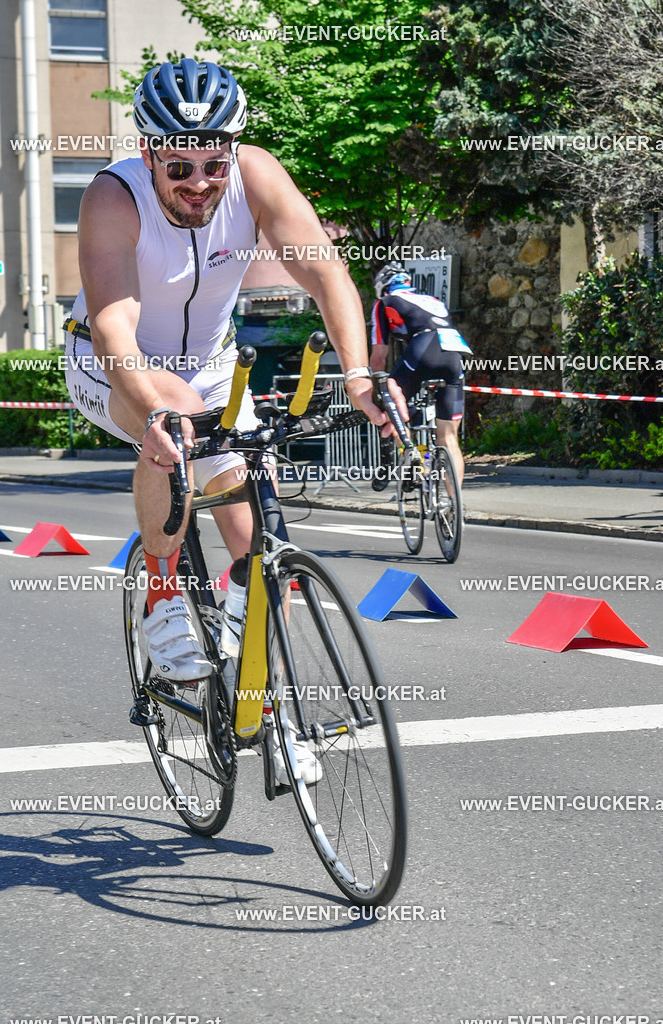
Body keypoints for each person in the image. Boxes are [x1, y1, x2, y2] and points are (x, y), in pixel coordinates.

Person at [64, 59, 404, 784]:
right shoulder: (112, 197)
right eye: (178, 166)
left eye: (212, 164)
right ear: (150, 153)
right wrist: (154, 408)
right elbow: (116, 327)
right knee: (183, 425)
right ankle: (161, 593)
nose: (198, 183)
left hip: (213, 364)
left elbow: (324, 273)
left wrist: (359, 373)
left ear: (233, 152)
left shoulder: (256, 176)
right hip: (108, 357)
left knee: (259, 557)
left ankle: (268, 715)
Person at [369, 261, 469, 489]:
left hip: (424, 347)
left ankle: (415, 461)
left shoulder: (385, 302)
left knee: (390, 402)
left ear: (383, 286)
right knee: (450, 438)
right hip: (454, 351)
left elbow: (378, 356)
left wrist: (377, 391)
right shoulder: (434, 301)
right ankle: (454, 510)